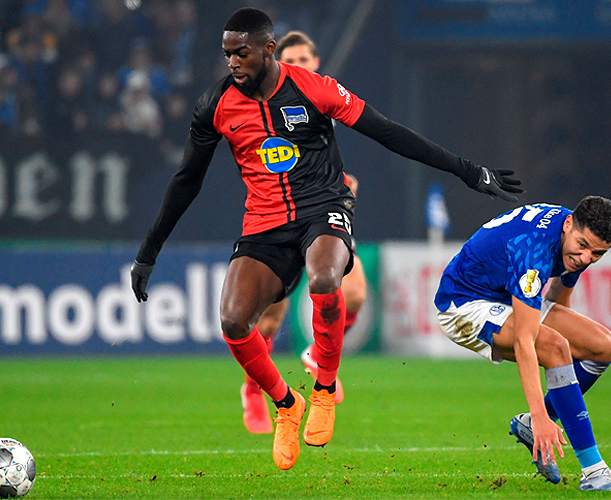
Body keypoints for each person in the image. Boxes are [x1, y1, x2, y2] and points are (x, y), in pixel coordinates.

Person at [131, 7, 521, 471]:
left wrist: (468, 171)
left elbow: (388, 133)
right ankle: (286, 404)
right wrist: (148, 252)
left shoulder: (313, 88)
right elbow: (186, 181)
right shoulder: (215, 105)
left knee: (324, 279)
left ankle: (323, 390)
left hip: (324, 207)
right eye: (227, 54)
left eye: (242, 53)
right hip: (264, 223)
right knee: (234, 322)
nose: (233, 62)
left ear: (268, 49)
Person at [434, 196, 611, 492]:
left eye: (597, 254)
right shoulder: (533, 247)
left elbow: (560, 295)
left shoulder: (577, 239)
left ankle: (531, 422)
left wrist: (561, 352)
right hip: (464, 303)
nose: (585, 258)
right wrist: (542, 414)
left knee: (604, 346)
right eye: (582, 246)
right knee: (553, 346)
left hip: (504, 293)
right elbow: (525, 341)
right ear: (569, 224)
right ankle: (595, 472)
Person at [240, 30, 367, 435]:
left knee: (355, 292)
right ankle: (252, 389)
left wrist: (341, 182)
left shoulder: (322, 99)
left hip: (323, 217)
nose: (298, 66)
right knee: (268, 321)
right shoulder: (267, 102)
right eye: (290, 60)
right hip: (279, 220)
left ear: (315, 61)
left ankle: (315, 355)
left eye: (305, 59)